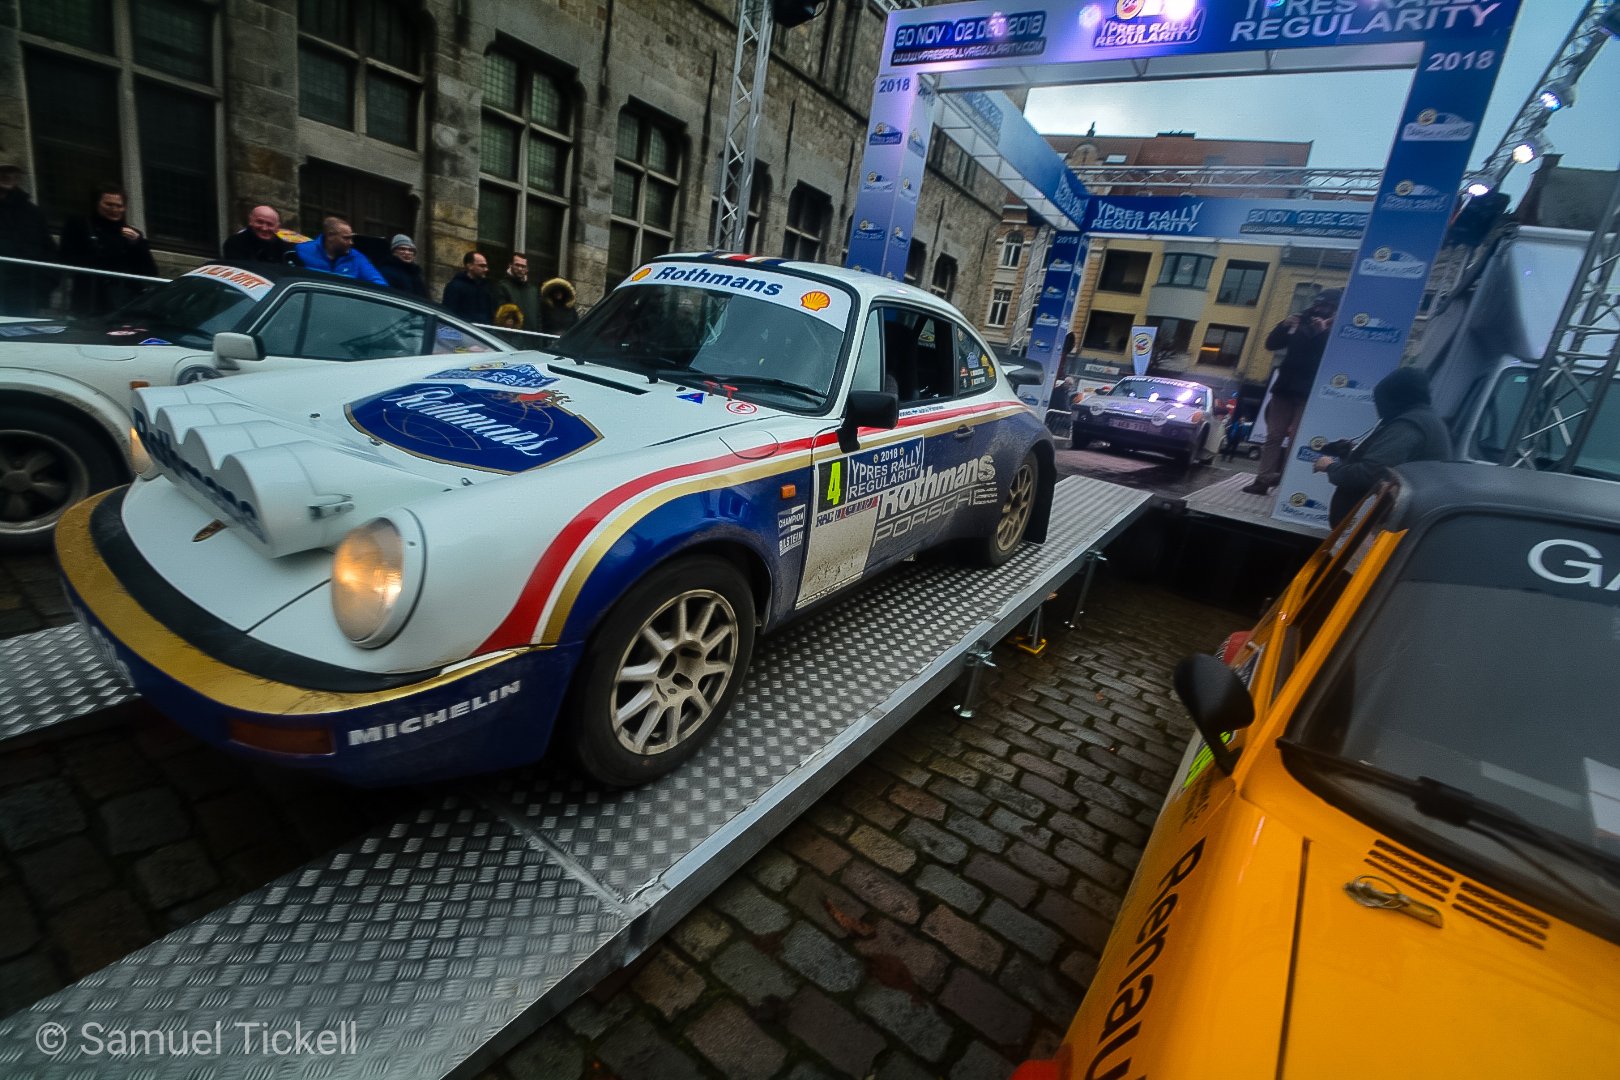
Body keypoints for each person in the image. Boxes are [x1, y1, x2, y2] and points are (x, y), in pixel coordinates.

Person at [1313, 366, 1452, 526]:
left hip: (1382, 528)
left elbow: (1369, 474)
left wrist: (1329, 466)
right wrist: (1350, 454)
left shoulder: (1408, 426)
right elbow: (1387, 464)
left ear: (1394, 398)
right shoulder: (1424, 419)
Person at [1243, 286, 1342, 495]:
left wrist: (1323, 331)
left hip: (1309, 391)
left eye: (1326, 306)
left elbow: (1335, 356)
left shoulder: (1339, 329)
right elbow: (1271, 344)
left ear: (1335, 308)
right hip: (1285, 387)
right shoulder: (1302, 320)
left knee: (1297, 439)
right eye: (1318, 304)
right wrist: (1283, 326)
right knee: (1274, 435)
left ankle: (1287, 481)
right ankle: (1263, 480)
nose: (1319, 309)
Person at [58, 182, 158, 315]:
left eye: (119, 206)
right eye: (109, 204)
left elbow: (150, 271)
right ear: (97, 203)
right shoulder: (80, 225)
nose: (114, 209)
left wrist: (138, 244)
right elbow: (66, 258)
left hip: (123, 301)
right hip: (89, 300)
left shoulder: (132, 234)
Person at [0, 162, 58, 316]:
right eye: (2, 170)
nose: (7, 175)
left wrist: (44, 285)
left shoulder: (32, 212)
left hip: (25, 294)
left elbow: (49, 251)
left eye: (12, 171)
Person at [293, 216, 388, 286]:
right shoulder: (302, 251)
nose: (351, 243)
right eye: (346, 238)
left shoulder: (356, 258)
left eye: (351, 238)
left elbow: (380, 286)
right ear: (330, 236)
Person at [221, 204, 293, 265]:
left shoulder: (286, 248)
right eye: (260, 222)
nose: (264, 228)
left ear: (277, 227)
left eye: (270, 224)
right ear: (250, 221)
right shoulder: (235, 243)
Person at [442, 250, 494, 323]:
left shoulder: (486, 287)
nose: (486, 269)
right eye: (482, 266)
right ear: (470, 266)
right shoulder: (455, 286)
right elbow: (449, 313)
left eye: (486, 266)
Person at [492, 253, 541, 330]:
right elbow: (500, 317)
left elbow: (538, 317)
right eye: (517, 265)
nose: (520, 269)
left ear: (527, 269)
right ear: (510, 265)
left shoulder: (533, 291)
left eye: (523, 266)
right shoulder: (502, 287)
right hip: (511, 335)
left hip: (532, 335)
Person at [378, 233, 429, 298]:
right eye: (402, 249)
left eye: (410, 250)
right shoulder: (387, 271)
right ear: (394, 252)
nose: (407, 253)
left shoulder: (415, 274)